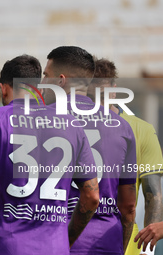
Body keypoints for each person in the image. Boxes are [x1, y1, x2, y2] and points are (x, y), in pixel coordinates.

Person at [0, 54, 100, 254]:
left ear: (3, 87)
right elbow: (92, 196)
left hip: (6, 246)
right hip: (55, 248)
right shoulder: (72, 125)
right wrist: (65, 240)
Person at [41, 46, 137, 254]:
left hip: (55, 240)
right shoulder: (122, 127)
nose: (41, 83)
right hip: (107, 242)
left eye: (46, 76)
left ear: (61, 81)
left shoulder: (40, 121)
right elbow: (128, 207)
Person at [87, 58, 163, 255]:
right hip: (79, 240)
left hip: (124, 243)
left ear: (114, 89)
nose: (99, 102)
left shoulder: (141, 130)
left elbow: (152, 194)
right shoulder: (69, 126)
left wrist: (148, 249)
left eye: (102, 95)